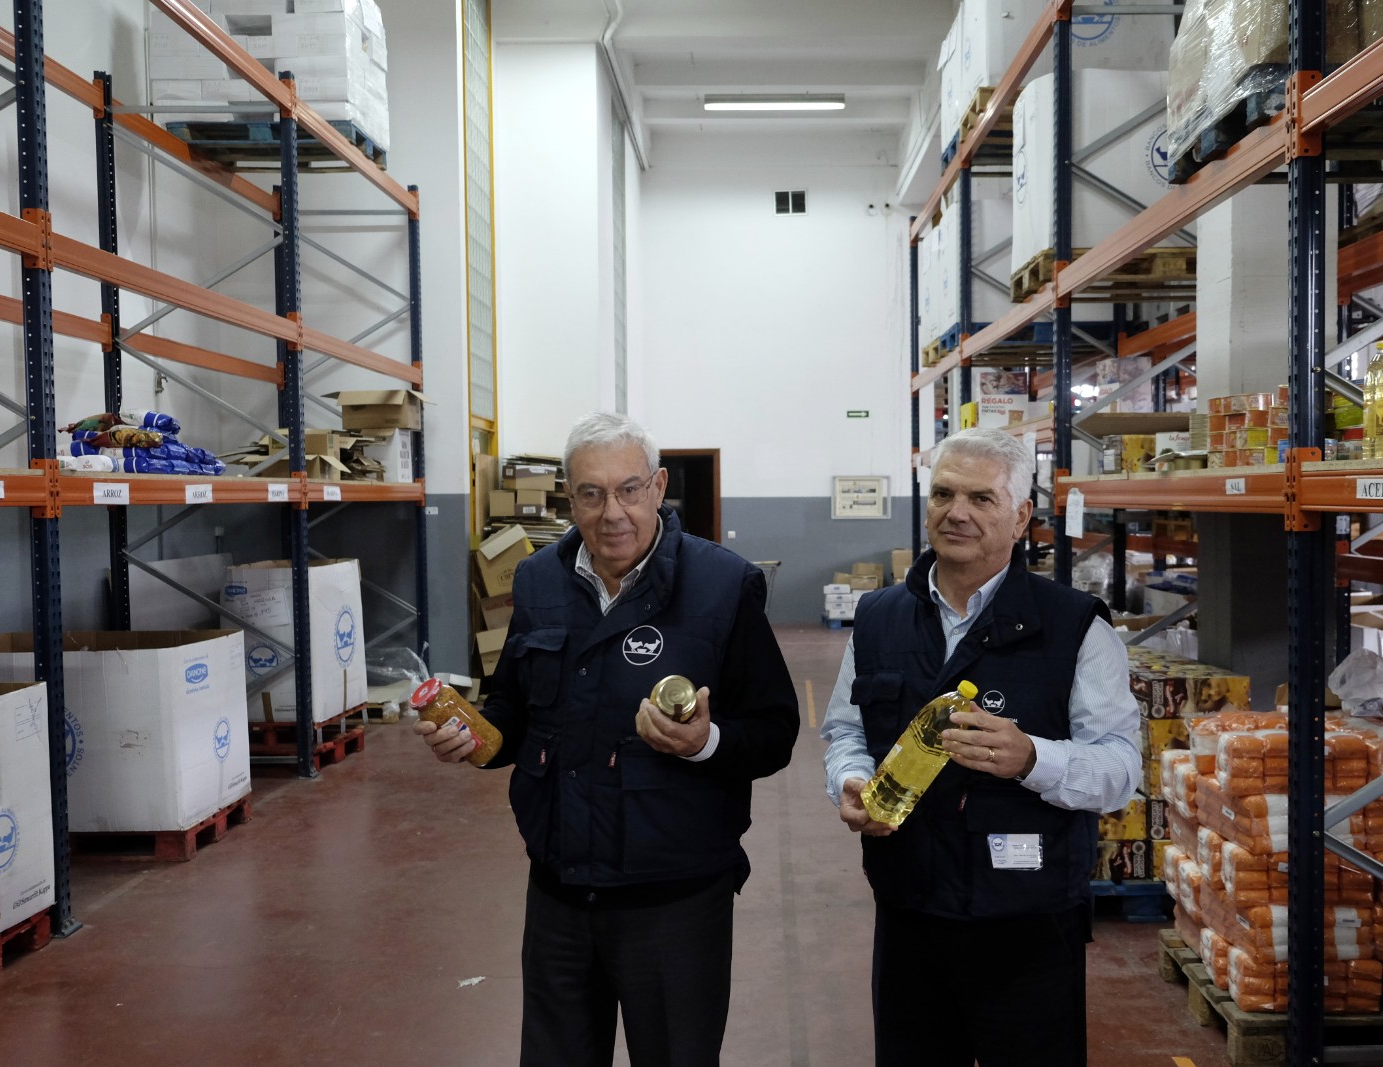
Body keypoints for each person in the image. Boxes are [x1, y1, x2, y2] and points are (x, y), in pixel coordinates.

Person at [417, 411, 800, 1067]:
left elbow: (774, 731)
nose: (612, 513)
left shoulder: (723, 585)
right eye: (591, 494)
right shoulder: (538, 579)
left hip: (674, 899)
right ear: (570, 496)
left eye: (628, 490)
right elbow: (513, 707)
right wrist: (476, 738)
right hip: (560, 891)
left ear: (659, 486)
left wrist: (704, 742)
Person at [820, 426, 1140, 1067]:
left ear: (1021, 517)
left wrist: (1033, 759)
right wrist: (850, 781)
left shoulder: (1074, 626)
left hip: (1027, 921)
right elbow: (846, 731)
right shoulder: (879, 618)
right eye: (943, 494)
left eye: (981, 498)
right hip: (910, 910)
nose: (956, 512)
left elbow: (1121, 768)